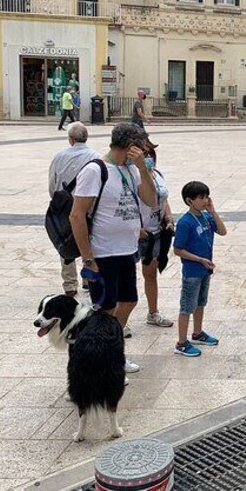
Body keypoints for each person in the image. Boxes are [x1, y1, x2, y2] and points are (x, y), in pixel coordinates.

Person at [71, 123, 157, 375]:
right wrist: (88, 258)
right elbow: (76, 216)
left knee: (129, 300)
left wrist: (143, 168)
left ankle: (110, 353)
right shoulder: (95, 170)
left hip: (126, 251)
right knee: (105, 308)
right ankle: (95, 360)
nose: (145, 150)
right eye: (142, 146)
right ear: (130, 145)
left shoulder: (131, 169)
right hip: (102, 253)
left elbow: (151, 201)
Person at [172, 181, 227, 357]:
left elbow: (223, 231)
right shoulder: (185, 222)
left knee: (200, 303)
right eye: (201, 198)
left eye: (206, 197)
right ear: (189, 201)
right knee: (187, 306)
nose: (205, 200)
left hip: (205, 270)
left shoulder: (207, 217)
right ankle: (181, 342)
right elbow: (178, 250)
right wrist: (199, 259)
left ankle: (197, 332)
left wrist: (213, 211)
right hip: (192, 272)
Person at [48, 121, 102, 296]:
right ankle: (88, 277)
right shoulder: (96, 156)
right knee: (88, 240)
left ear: (71, 139)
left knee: (65, 241)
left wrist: (56, 200)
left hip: (63, 205)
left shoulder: (59, 156)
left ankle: (70, 284)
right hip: (88, 206)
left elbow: (52, 182)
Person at [138, 142, 176, 328]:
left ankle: (153, 313)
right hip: (136, 234)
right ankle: (119, 319)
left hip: (156, 232)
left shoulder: (159, 175)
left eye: (150, 153)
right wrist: (136, 229)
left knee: (151, 274)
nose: (148, 157)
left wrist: (168, 217)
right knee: (124, 276)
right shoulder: (132, 176)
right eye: (144, 153)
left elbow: (164, 199)